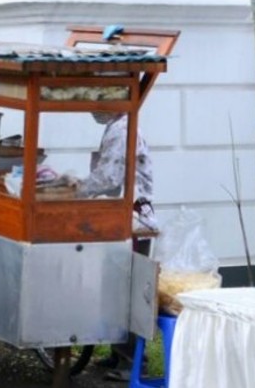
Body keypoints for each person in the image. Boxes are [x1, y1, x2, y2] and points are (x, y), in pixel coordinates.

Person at [75, 111, 156, 381]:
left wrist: (76, 188)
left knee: (127, 292)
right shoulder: (117, 127)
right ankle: (119, 351)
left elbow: (109, 179)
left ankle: (131, 361)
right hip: (122, 217)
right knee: (115, 290)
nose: (91, 110)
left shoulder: (122, 130)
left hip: (132, 221)